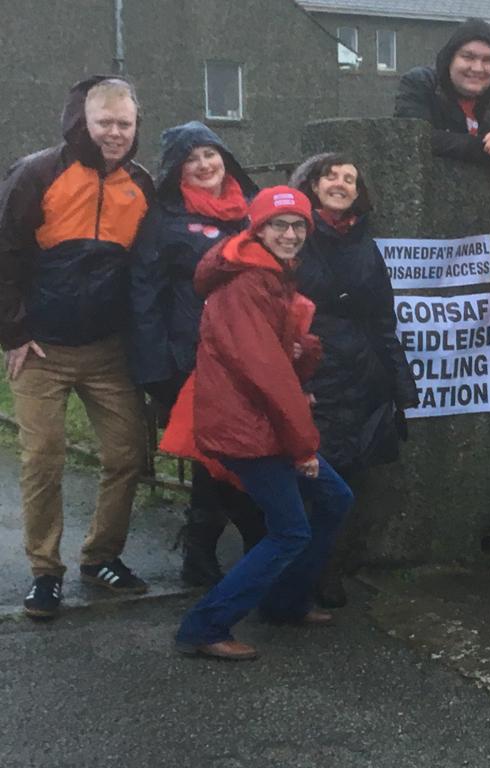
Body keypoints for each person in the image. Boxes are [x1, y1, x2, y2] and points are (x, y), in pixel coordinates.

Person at [168, 186, 354, 661]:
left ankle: (285, 603)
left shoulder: (272, 276)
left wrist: (304, 349)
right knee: (290, 530)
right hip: (248, 427)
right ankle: (205, 626)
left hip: (261, 422)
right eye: (279, 225)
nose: (290, 235)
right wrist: (303, 446)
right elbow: (265, 373)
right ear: (258, 229)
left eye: (298, 226)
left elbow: (280, 360)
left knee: (335, 498)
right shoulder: (248, 282)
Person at [0, 76, 153, 619]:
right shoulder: (38, 173)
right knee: (43, 458)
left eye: (124, 123)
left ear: (136, 126)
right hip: (41, 350)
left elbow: (147, 268)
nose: (114, 132)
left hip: (108, 350)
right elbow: (5, 252)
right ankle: (45, 571)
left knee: (127, 454)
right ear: (81, 122)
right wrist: (13, 333)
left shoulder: (141, 183)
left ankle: (101, 557)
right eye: (104, 121)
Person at [129, 121, 265, 587]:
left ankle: (208, 552)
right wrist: (155, 368)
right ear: (177, 170)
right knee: (216, 453)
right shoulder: (163, 220)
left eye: (210, 153)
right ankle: (243, 545)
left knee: (235, 450)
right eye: (192, 159)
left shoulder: (253, 209)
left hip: (251, 356)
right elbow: (144, 294)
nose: (205, 165)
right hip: (192, 358)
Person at [289, 154, 419, 598]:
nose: (340, 184)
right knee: (313, 478)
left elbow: (384, 319)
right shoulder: (295, 236)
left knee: (352, 478)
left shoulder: (366, 244)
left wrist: (401, 385)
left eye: (350, 178)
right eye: (331, 176)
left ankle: (331, 570)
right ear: (312, 184)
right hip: (314, 374)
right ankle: (302, 576)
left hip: (363, 377)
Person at [394, 17, 490, 169]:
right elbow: (414, 138)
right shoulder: (420, 84)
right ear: (450, 58)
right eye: (468, 57)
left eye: (487, 60)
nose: (477, 68)